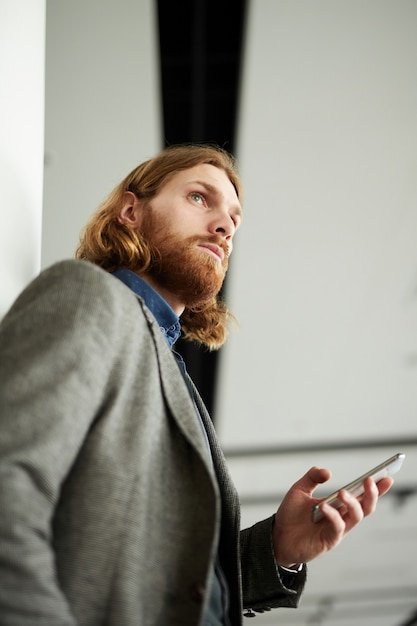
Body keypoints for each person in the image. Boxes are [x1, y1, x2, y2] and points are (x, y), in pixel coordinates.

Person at [0, 144, 393, 626]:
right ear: (130, 211)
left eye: (234, 219)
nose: (226, 227)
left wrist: (275, 549)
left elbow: (171, 581)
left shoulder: (172, 370)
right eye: (200, 198)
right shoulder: (88, 298)